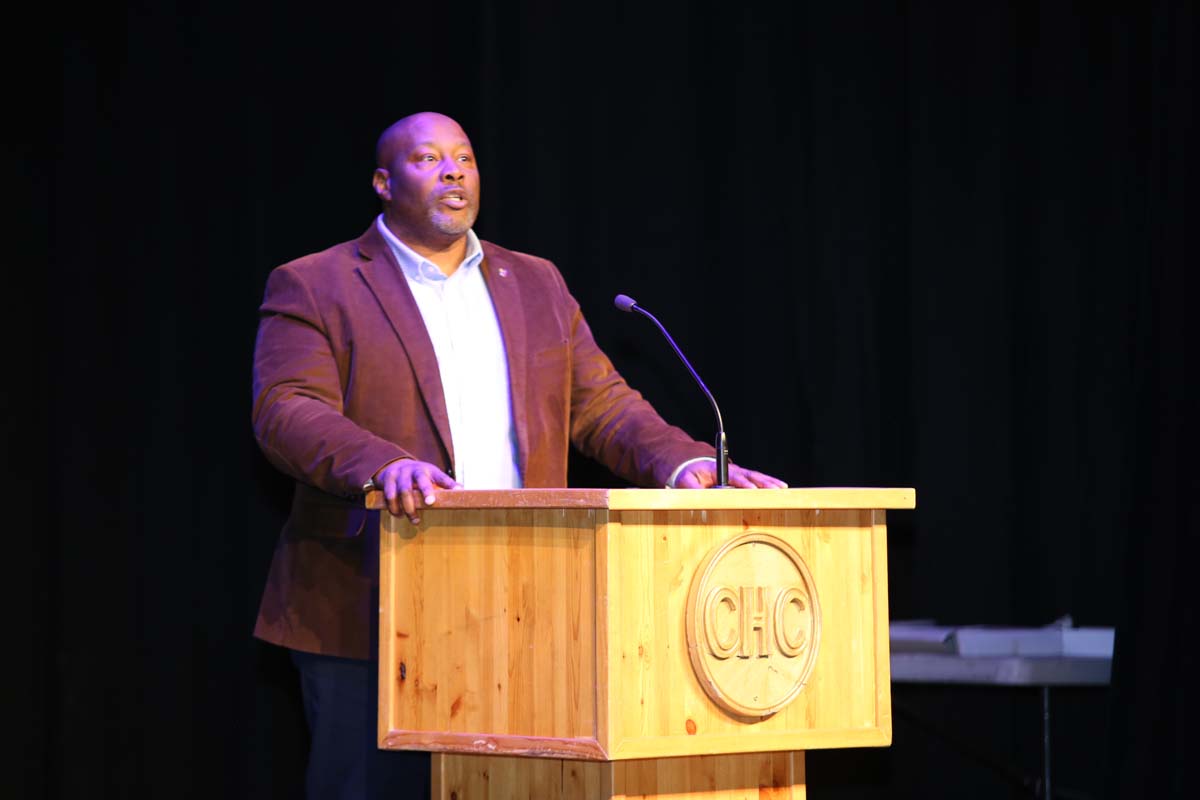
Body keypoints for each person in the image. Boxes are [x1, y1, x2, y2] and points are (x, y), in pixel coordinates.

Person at [251, 111, 786, 798]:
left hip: (527, 606)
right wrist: (384, 465)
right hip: (369, 606)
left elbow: (599, 405)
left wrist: (685, 466)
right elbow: (287, 408)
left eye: (465, 158)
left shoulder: (534, 282)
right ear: (383, 183)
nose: (452, 171)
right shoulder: (317, 282)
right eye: (428, 159)